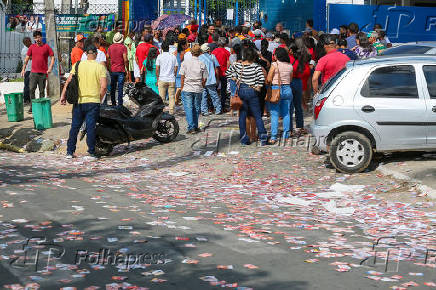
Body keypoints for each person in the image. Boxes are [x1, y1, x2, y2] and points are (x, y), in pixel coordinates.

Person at [60, 44, 107, 160]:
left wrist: (63, 95)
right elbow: (104, 87)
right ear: (96, 54)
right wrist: (99, 99)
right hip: (93, 102)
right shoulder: (100, 67)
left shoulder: (77, 65)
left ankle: (70, 152)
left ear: (85, 54)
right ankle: (91, 152)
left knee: (75, 127)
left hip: (79, 101)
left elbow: (68, 81)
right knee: (91, 127)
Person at [226, 47, 267, 146]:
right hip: (252, 91)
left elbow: (227, 73)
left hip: (242, 91)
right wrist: (258, 87)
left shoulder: (238, 65)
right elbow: (261, 79)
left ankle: (244, 139)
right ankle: (263, 138)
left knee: (242, 116)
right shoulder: (256, 66)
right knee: (257, 116)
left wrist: (235, 79)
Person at [21, 30, 55, 113]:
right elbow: (27, 58)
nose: (37, 39)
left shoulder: (46, 47)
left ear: (41, 37)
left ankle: (41, 107)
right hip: (33, 73)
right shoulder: (32, 47)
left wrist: (50, 67)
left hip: (43, 73)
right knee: (31, 89)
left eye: (39, 37)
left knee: (41, 91)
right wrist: (23, 69)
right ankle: (32, 106)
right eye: (35, 38)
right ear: (34, 38)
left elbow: (52, 57)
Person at [266, 47, 293, 144]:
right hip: (287, 89)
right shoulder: (290, 65)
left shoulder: (274, 64)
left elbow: (269, 78)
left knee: (274, 114)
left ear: (277, 56)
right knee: (286, 113)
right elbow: (290, 79)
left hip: (276, 89)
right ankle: (286, 135)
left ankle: (273, 137)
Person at [179, 44, 208, 134]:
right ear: (199, 53)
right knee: (196, 108)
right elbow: (205, 78)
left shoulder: (185, 63)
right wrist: (202, 85)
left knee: (188, 108)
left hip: (187, 88)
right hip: (198, 88)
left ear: (191, 52)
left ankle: (191, 127)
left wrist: (182, 87)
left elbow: (182, 77)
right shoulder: (202, 64)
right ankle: (194, 126)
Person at [289, 39, 311, 135]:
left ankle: (289, 129)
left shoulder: (289, 58)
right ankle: (300, 126)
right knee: (298, 106)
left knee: (289, 107)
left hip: (289, 82)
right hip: (298, 82)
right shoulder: (300, 58)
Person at [199, 43, 221, 116]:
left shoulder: (199, 57)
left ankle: (204, 110)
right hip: (211, 79)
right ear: (208, 50)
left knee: (203, 96)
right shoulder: (212, 56)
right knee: (214, 95)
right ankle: (218, 109)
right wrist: (217, 79)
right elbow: (217, 68)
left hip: (202, 79)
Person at [156, 42, 178, 114]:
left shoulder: (159, 56)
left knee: (162, 97)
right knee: (171, 96)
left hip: (162, 78)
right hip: (171, 79)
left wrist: (157, 78)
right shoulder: (173, 56)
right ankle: (171, 111)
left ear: (162, 48)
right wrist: (174, 75)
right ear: (168, 49)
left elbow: (157, 69)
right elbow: (176, 67)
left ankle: (162, 111)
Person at [107, 32, 128, 106]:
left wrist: (109, 68)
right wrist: (127, 70)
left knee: (113, 88)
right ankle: (120, 105)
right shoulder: (123, 47)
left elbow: (108, 58)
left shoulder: (110, 47)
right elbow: (125, 59)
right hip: (121, 70)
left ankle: (113, 103)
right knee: (120, 88)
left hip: (113, 70)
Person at [212, 37, 231, 111]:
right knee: (223, 91)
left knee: (214, 90)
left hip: (215, 72)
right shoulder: (226, 52)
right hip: (223, 73)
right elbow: (228, 62)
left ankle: (214, 106)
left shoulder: (214, 51)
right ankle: (222, 106)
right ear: (225, 44)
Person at [21, 37, 32, 104]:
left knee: (31, 85)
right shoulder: (25, 50)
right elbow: (31, 57)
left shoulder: (30, 48)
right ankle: (26, 99)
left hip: (32, 69)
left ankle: (30, 98)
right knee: (27, 85)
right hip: (28, 70)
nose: (30, 42)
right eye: (29, 41)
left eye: (30, 41)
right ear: (25, 43)